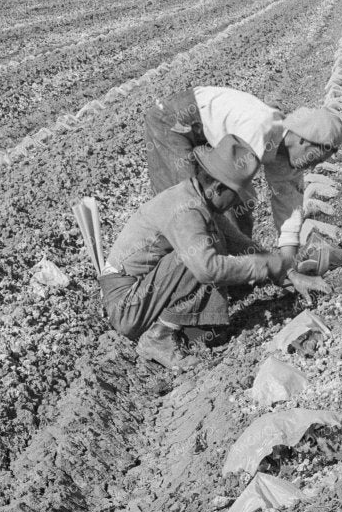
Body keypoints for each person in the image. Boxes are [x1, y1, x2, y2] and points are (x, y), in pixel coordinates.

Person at [102, 135, 329, 369]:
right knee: (201, 255)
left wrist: (288, 273)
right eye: (236, 195)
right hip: (127, 304)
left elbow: (240, 244)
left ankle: (177, 329)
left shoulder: (197, 200)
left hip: (142, 294)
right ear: (219, 188)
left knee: (213, 244)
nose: (236, 203)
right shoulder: (186, 209)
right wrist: (264, 266)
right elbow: (206, 269)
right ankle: (158, 336)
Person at [145, 85, 342, 253]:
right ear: (302, 139)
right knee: (189, 201)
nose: (314, 165)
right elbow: (221, 191)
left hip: (208, 134)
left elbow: (289, 206)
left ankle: (238, 267)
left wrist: (288, 261)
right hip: (173, 121)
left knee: (239, 204)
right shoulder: (258, 131)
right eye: (316, 157)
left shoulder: (286, 154)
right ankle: (191, 271)